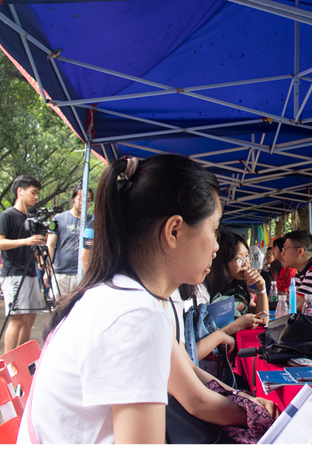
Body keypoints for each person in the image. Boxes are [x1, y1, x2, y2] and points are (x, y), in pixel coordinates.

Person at [17, 155, 277, 445]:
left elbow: (193, 389)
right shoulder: (135, 317)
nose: (217, 246)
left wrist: (248, 405)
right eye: (213, 230)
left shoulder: (124, 297)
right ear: (174, 231)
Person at [195, 228, 268, 377]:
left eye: (247, 257)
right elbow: (197, 345)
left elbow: (263, 318)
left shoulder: (237, 289)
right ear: (221, 261)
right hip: (207, 369)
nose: (246, 264)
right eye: (239, 259)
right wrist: (236, 325)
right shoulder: (203, 293)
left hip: (229, 363)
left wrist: (262, 289)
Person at [0, 175, 45, 355]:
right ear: (20, 191)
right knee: (17, 318)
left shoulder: (31, 217)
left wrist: (40, 258)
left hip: (31, 273)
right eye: (33, 192)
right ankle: (9, 364)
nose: (36, 197)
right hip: (14, 273)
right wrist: (26, 241)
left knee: (30, 317)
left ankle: (21, 357)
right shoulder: (7, 215)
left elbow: (32, 244)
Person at [45, 186, 94, 299]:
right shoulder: (59, 218)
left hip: (83, 274)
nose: (84, 202)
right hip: (61, 274)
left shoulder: (93, 221)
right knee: (59, 309)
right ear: (73, 198)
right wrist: (47, 270)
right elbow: (51, 245)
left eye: (88, 200)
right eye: (81, 199)